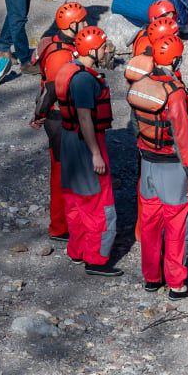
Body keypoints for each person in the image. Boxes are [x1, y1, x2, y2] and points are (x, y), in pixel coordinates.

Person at [127, 36, 188, 298]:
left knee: (149, 224)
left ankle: (151, 278)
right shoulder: (175, 92)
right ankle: (177, 284)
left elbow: (136, 125)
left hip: (147, 163)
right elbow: (183, 135)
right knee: (177, 226)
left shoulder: (140, 84)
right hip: (172, 168)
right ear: (175, 59)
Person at [53, 26, 121, 277]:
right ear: (92, 50)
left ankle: (77, 251)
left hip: (69, 142)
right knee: (98, 204)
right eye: (103, 47)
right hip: (85, 143)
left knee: (75, 201)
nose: (106, 50)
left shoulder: (68, 69)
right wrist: (95, 153)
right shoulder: (83, 80)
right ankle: (96, 260)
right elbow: (85, 118)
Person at [30, 2, 87, 243]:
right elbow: (52, 90)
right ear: (72, 25)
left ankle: (64, 222)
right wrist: (40, 116)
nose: (86, 24)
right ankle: (60, 226)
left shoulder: (49, 42)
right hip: (58, 118)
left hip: (55, 116)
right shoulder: (62, 56)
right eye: (83, 21)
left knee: (63, 171)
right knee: (62, 173)